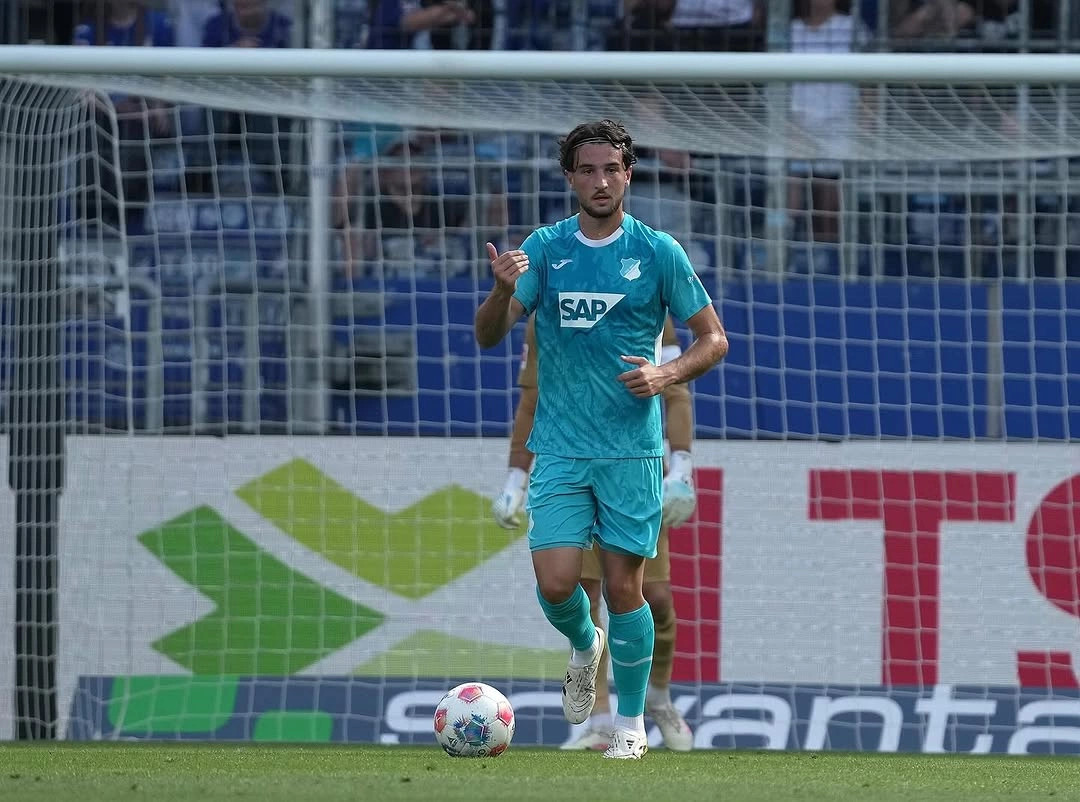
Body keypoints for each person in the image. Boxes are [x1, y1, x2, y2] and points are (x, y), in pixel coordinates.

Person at [473, 119, 728, 759]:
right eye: (587, 170)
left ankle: (632, 725)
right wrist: (500, 292)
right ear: (570, 178)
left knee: (626, 590)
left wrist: (665, 373)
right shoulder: (545, 249)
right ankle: (587, 645)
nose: (601, 181)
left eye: (611, 169)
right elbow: (488, 335)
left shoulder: (659, 252)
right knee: (558, 585)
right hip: (560, 448)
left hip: (631, 452)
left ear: (628, 174)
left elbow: (714, 339)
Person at [492, 313, 697, 752]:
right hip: (570, 466)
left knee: (652, 596)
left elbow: (676, 391)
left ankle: (658, 696)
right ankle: (601, 720)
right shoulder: (546, 306)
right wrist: (515, 477)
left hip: (634, 467)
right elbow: (531, 400)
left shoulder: (649, 300)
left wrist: (681, 466)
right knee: (582, 592)